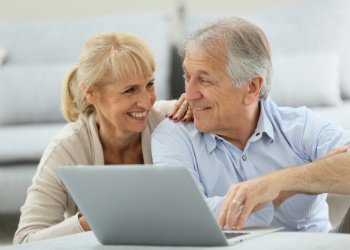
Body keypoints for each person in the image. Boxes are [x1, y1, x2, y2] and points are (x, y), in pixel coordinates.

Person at [151, 17, 350, 232]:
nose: (189, 93)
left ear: (252, 87)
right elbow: (184, 216)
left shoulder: (299, 127)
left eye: (205, 80)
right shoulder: (173, 135)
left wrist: (281, 181)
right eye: (187, 76)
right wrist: (278, 194)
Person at [14, 32, 190, 244]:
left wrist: (201, 105)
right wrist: (88, 223)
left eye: (150, 85)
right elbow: (24, 240)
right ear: (91, 93)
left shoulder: (170, 118)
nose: (146, 102)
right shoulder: (66, 149)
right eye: (130, 90)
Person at [216, 145, 350, 232]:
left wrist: (284, 180)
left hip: (320, 240)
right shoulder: (195, 141)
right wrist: (288, 189)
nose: (194, 99)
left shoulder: (301, 124)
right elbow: (200, 220)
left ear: (251, 98)